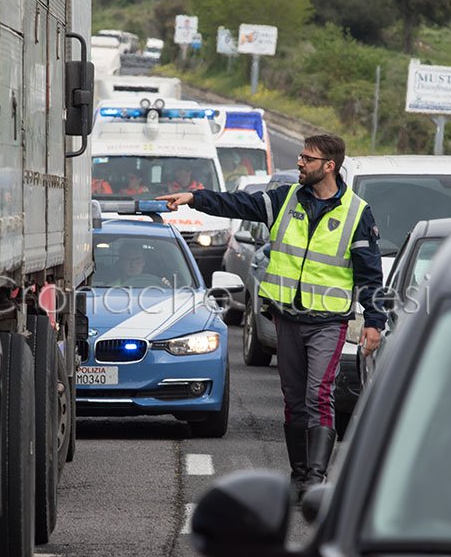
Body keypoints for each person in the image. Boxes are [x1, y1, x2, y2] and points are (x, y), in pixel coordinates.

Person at [157, 134, 385, 499]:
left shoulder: (357, 213)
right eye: (300, 156)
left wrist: (374, 321)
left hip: (327, 322)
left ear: (329, 166)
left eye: (307, 158)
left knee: (318, 394)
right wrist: (196, 199)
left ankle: (315, 477)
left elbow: (370, 274)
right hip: (287, 318)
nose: (299, 162)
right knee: (293, 398)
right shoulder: (285, 199)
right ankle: (299, 473)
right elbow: (239, 203)